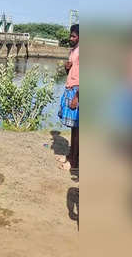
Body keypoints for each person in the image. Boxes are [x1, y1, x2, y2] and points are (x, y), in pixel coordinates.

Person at [57, 24, 79, 171]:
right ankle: (71, 156)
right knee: (74, 128)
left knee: (78, 130)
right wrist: (67, 68)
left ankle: (75, 163)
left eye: (74, 36)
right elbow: (72, 72)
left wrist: (77, 97)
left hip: (78, 91)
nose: (71, 38)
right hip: (70, 88)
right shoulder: (73, 51)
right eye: (70, 36)